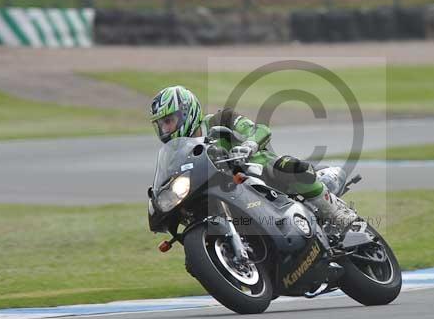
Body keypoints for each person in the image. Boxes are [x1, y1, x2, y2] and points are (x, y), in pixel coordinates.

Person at [150, 84, 357, 230]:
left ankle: (336, 213)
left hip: (255, 171)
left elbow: (260, 129)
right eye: (161, 124)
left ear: (187, 112)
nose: (166, 128)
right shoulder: (174, 155)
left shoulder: (220, 119)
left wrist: (249, 144)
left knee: (287, 167)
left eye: (169, 120)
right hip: (222, 192)